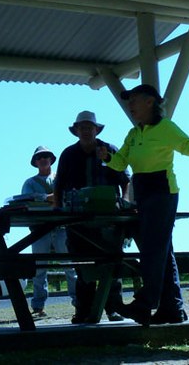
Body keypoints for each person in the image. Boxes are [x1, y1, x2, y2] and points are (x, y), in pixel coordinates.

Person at [99, 84, 189, 326]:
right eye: (129, 102)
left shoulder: (165, 127)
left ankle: (145, 303)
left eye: (134, 100)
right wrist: (106, 157)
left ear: (150, 102)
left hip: (163, 192)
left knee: (153, 250)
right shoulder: (133, 134)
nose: (131, 105)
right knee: (163, 252)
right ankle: (172, 309)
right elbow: (119, 163)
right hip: (144, 194)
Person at [54, 111, 129, 324]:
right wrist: (59, 212)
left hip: (108, 217)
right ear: (76, 130)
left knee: (111, 261)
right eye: (82, 127)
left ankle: (113, 308)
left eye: (90, 127)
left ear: (96, 130)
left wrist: (124, 203)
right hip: (77, 219)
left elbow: (125, 180)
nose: (86, 131)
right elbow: (59, 185)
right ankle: (83, 311)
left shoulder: (110, 150)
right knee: (81, 264)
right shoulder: (68, 154)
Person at [22, 146, 77, 318]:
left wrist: (49, 198)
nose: (43, 159)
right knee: (40, 268)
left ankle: (79, 302)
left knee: (70, 267)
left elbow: (70, 196)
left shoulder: (62, 178)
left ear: (51, 159)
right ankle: (38, 307)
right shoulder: (29, 183)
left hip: (61, 228)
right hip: (40, 229)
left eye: (46, 156)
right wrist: (48, 198)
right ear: (35, 162)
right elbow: (28, 201)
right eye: (40, 157)